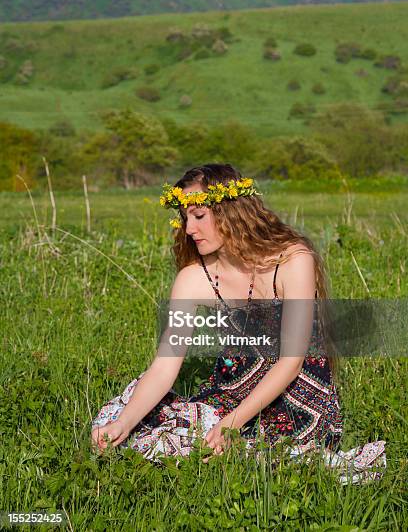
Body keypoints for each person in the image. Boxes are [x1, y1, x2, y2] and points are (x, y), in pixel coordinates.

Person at [91, 164, 386, 483]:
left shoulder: (294, 260)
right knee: (135, 419)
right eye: (185, 217)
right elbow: (164, 366)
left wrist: (232, 423)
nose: (189, 229)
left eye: (199, 216)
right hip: (230, 392)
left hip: (297, 398)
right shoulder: (193, 278)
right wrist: (124, 422)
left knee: (274, 454)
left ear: (231, 211)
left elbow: (290, 362)